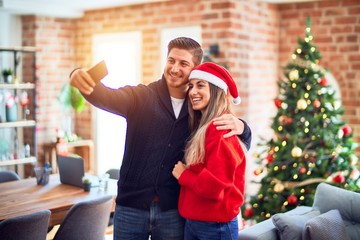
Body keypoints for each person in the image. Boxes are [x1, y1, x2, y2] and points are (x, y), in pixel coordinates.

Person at [70, 37, 251, 240]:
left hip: (173, 211)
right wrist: (77, 74)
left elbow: (233, 144)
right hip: (131, 208)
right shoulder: (142, 96)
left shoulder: (200, 111)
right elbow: (103, 95)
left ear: (195, 69)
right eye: (171, 60)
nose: (174, 68)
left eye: (183, 63)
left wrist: (243, 127)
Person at [172, 62, 247, 240]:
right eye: (191, 86)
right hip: (198, 222)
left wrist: (184, 175)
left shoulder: (219, 128)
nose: (192, 92)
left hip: (215, 226)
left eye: (200, 85)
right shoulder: (203, 125)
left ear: (215, 90)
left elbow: (215, 185)